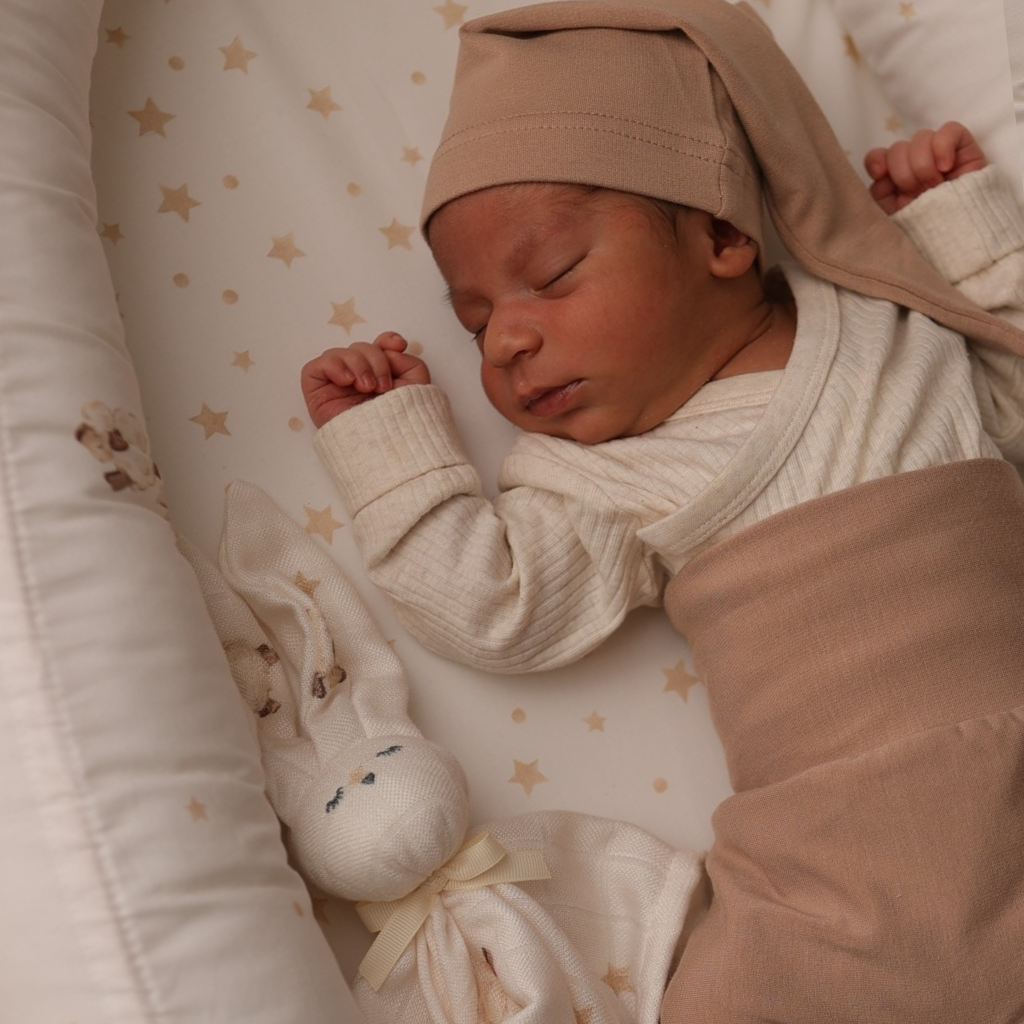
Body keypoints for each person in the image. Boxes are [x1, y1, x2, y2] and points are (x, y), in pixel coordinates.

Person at [301, 1, 1024, 1018]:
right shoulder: (605, 474)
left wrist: (957, 227)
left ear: (723, 236)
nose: (504, 340)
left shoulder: (888, 322)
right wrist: (392, 441)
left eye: (551, 277)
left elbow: (1009, 387)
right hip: (840, 860)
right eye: (474, 323)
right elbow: (495, 605)